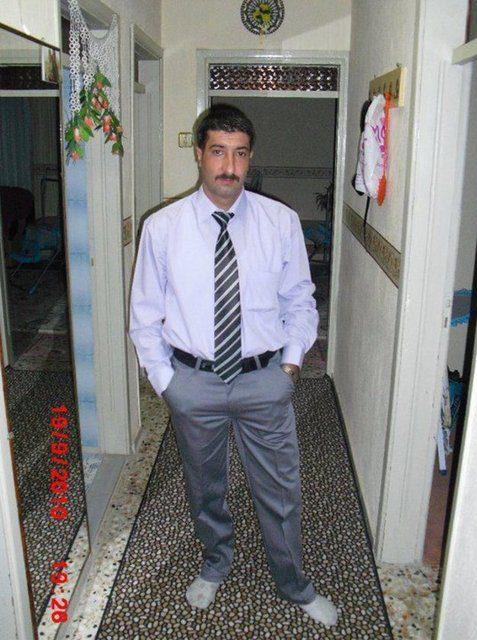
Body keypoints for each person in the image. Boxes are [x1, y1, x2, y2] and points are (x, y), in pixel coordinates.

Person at [128, 104, 338, 628]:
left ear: (250, 158)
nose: (229, 166)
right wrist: (167, 383)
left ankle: (292, 581)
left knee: (280, 487)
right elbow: (144, 316)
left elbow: (300, 300)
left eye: (240, 154)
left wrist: (290, 368)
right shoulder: (162, 228)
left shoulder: (280, 222)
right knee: (205, 485)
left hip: (264, 380)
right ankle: (216, 559)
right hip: (193, 382)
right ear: (199, 154)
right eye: (218, 152)